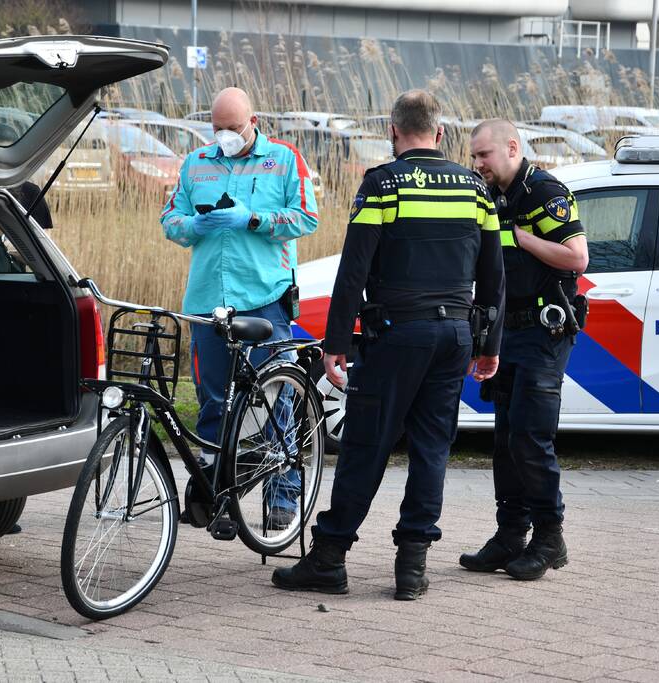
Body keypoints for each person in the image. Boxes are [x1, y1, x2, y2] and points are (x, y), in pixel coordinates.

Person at [271, 90, 505, 600]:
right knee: (431, 450)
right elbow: (493, 277)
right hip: (455, 337)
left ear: (393, 132)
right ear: (440, 134)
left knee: (365, 446)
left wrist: (335, 342)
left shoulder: (381, 185)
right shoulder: (474, 189)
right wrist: (488, 344)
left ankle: (330, 559)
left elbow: (354, 269)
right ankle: (412, 567)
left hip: (397, 334)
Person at [161, 87, 319, 529]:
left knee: (277, 396)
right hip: (209, 299)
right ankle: (217, 497)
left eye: (232, 127)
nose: (224, 135)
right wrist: (193, 224)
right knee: (215, 400)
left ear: (253, 120)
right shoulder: (197, 163)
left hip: (265, 297)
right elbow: (170, 220)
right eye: (217, 128)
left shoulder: (284, 159)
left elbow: (307, 217)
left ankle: (283, 494)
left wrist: (253, 219)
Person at [460, 119, 589, 581]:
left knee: (530, 437)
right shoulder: (488, 193)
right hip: (506, 330)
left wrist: (522, 238)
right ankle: (510, 534)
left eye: (483, 156)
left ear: (512, 148)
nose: (477, 164)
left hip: (544, 329)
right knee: (504, 440)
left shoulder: (544, 191)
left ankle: (550, 539)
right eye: (474, 157)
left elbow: (578, 257)